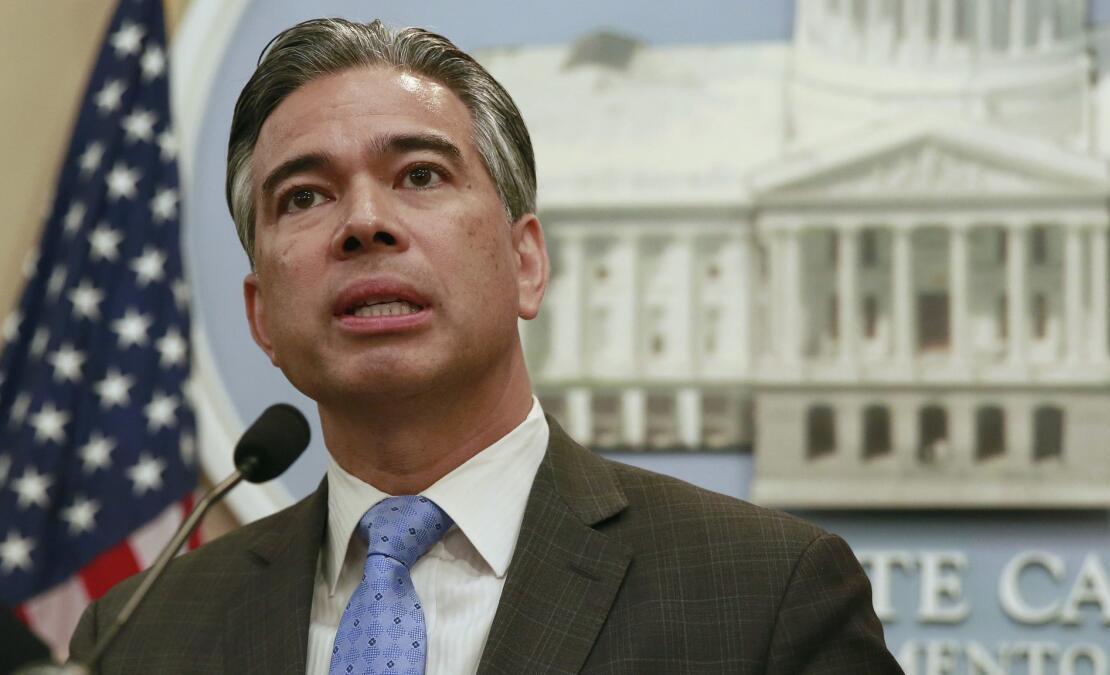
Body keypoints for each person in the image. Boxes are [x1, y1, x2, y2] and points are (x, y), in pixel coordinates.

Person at [70, 19, 901, 673]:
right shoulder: (139, 635)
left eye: (421, 175)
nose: (364, 223)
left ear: (526, 263)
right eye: (306, 195)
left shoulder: (762, 594)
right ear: (262, 320)